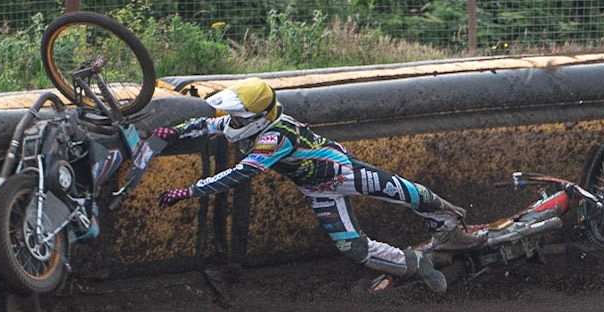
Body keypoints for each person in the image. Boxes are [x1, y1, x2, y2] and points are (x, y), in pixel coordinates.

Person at [151, 77, 485, 294]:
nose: (232, 122)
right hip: (316, 188)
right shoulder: (247, 123)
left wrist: (191, 190)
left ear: (257, 117)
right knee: (351, 248)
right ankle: (415, 264)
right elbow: (208, 124)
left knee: (407, 192)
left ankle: (449, 226)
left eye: (239, 117)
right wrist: (176, 132)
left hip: (341, 171)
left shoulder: (274, 137)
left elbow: (240, 173)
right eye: (234, 117)